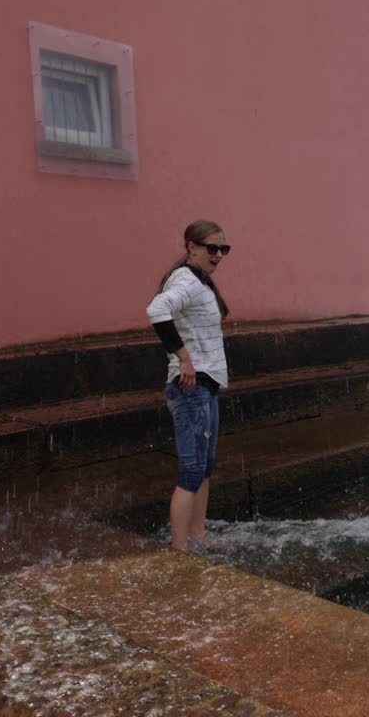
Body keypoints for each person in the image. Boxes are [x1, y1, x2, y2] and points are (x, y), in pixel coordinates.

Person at [145, 220, 232, 551]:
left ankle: (198, 537)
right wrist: (183, 357)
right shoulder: (185, 280)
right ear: (191, 246)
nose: (219, 255)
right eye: (212, 248)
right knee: (192, 471)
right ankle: (179, 553)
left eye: (224, 249)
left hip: (205, 386)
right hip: (190, 388)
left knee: (205, 469)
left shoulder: (199, 281)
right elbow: (157, 310)